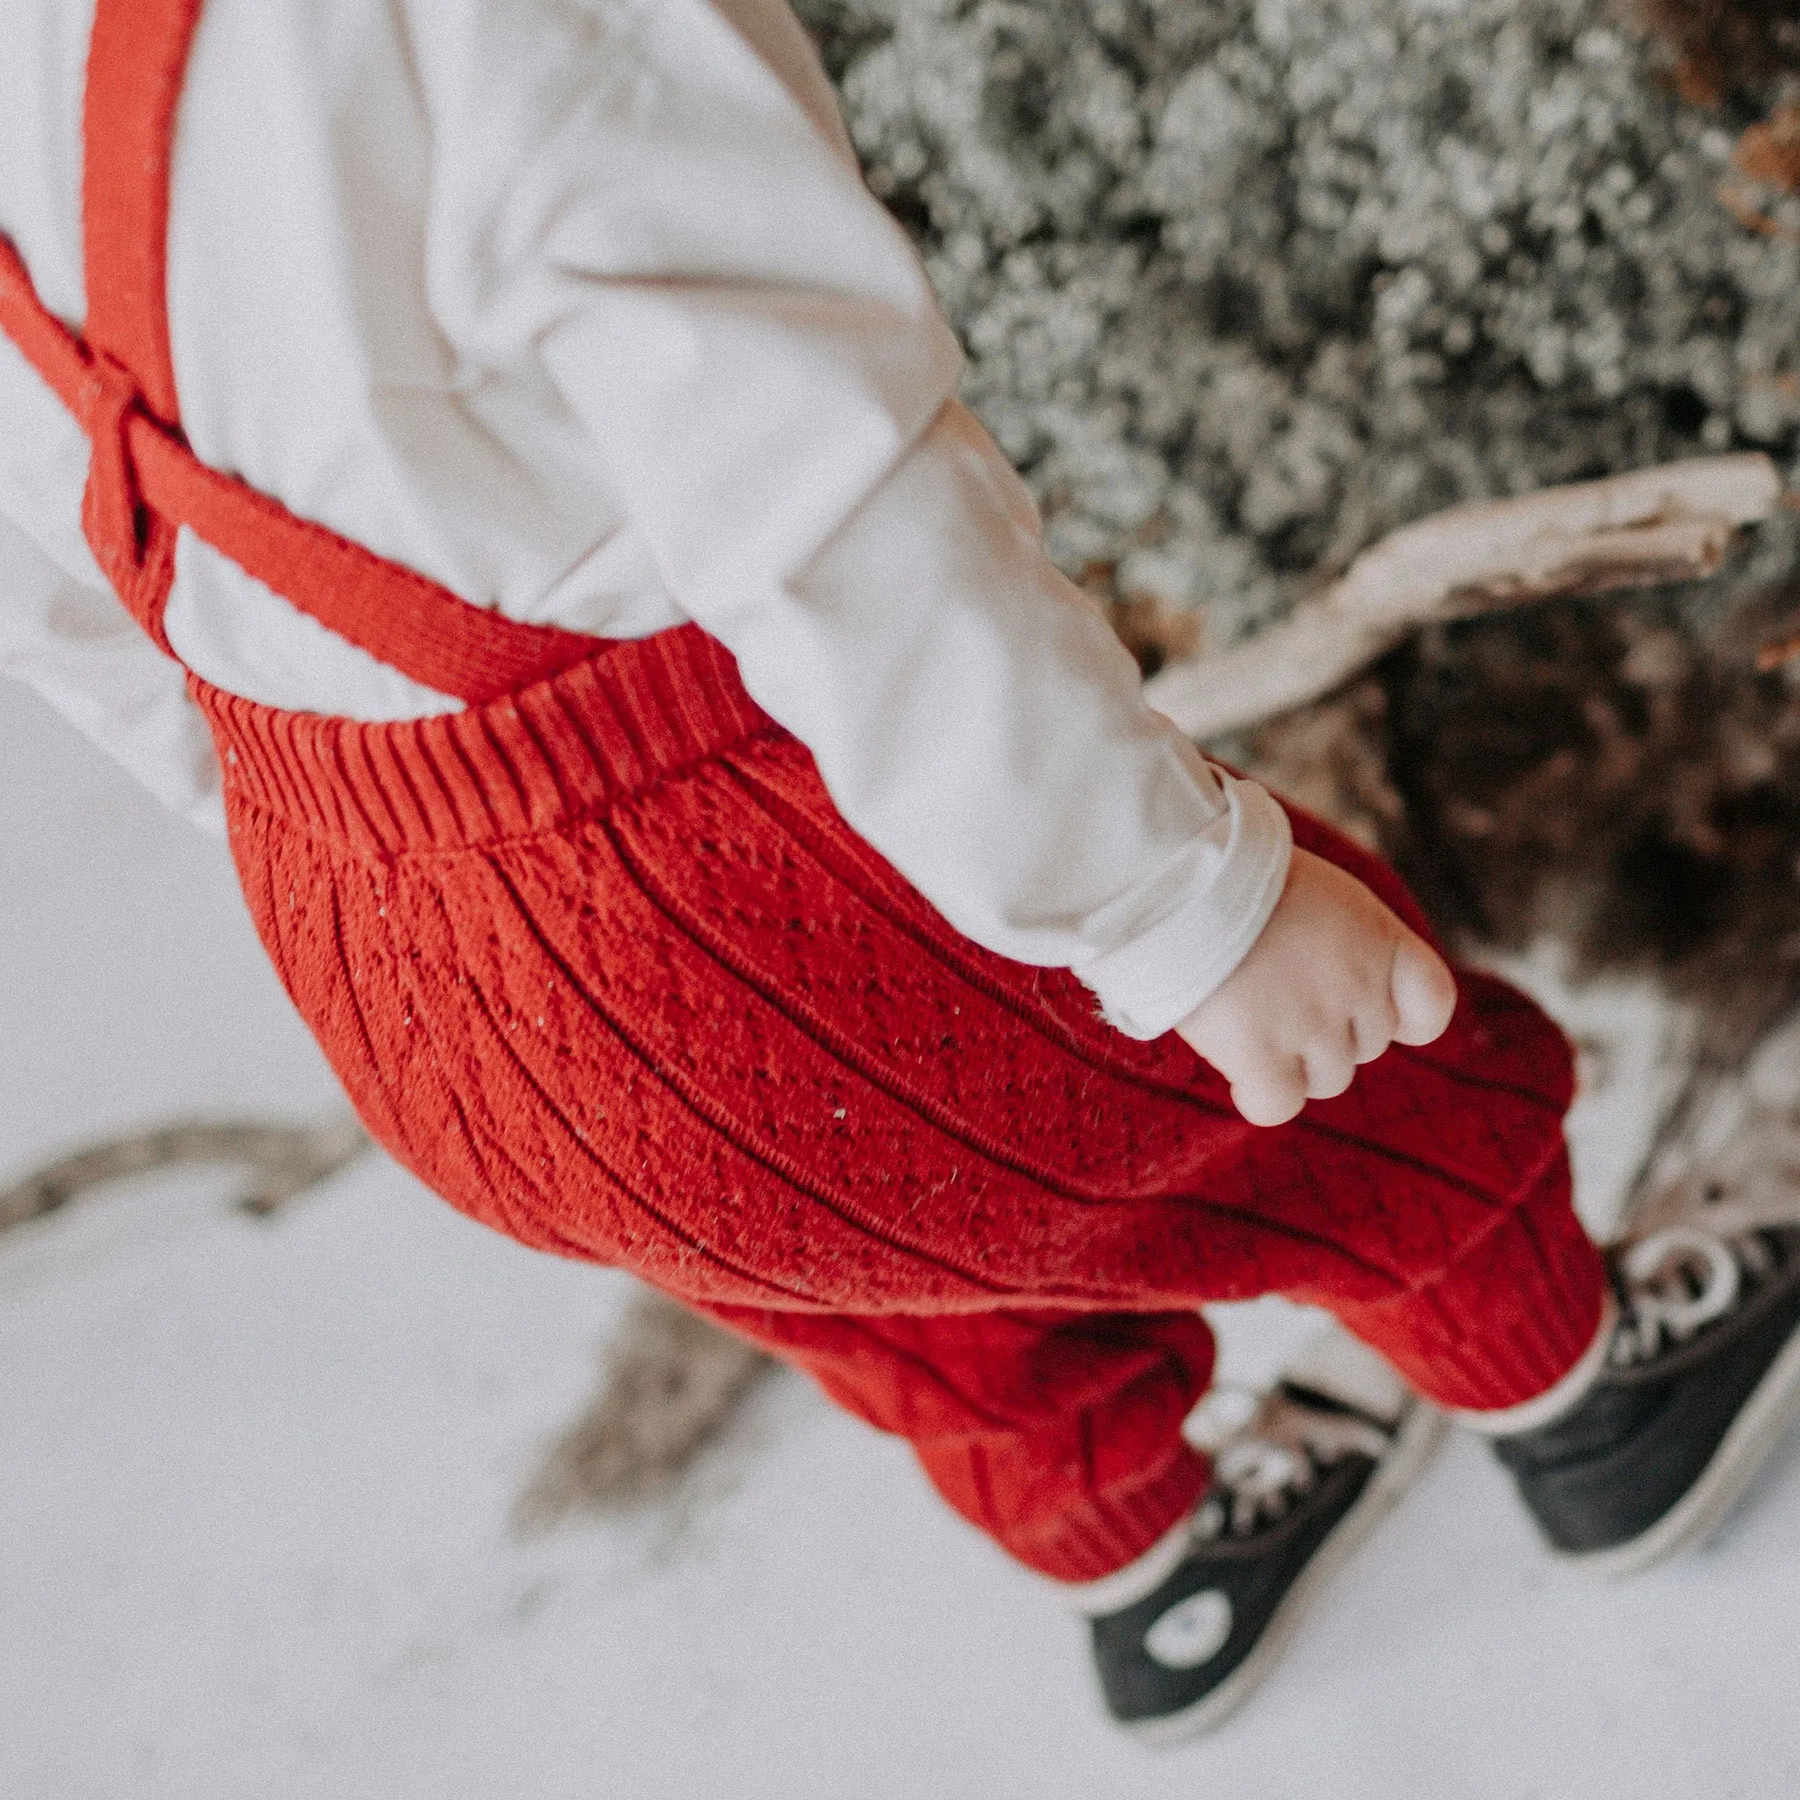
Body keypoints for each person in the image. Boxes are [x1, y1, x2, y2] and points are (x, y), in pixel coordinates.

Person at [3, 0, 1799, 1743]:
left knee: (869, 1292)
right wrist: (1186, 908)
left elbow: (74, 611)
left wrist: (325, 840)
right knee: (1358, 1108)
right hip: (722, 890)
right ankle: (1592, 1395)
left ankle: (1152, 1570)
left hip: (379, 958)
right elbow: (831, 500)